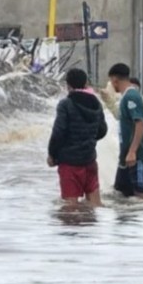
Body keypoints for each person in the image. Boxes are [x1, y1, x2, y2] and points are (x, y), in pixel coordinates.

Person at [47, 68, 108, 206]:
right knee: (95, 204)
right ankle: (94, 228)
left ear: (68, 85)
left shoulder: (66, 104)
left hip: (69, 163)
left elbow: (59, 132)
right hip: (90, 160)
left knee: (70, 208)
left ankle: (74, 229)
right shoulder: (96, 103)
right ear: (85, 83)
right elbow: (103, 130)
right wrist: (88, 138)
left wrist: (52, 154)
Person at [108, 63, 143, 199]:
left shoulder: (131, 96)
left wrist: (132, 151)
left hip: (136, 155)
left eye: (111, 82)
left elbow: (140, 124)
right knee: (120, 194)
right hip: (126, 155)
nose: (111, 85)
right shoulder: (125, 97)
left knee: (140, 196)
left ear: (115, 80)